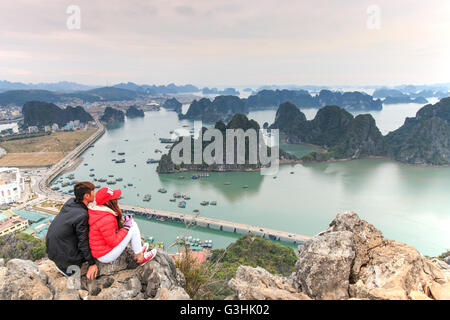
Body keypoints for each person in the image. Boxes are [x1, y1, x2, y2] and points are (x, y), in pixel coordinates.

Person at [88, 187, 157, 265]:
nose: (116, 199)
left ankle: (138, 250)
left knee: (131, 225)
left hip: (101, 250)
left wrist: (123, 222)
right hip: (105, 255)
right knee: (133, 227)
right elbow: (113, 242)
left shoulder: (97, 211)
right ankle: (140, 257)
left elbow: (108, 231)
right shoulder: (107, 218)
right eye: (114, 198)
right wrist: (126, 227)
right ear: (107, 202)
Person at [46, 182, 98, 280]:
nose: (95, 194)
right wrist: (92, 263)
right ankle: (72, 280)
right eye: (93, 192)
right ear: (87, 196)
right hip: (67, 262)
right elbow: (83, 242)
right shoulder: (82, 215)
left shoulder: (70, 203)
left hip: (53, 251)